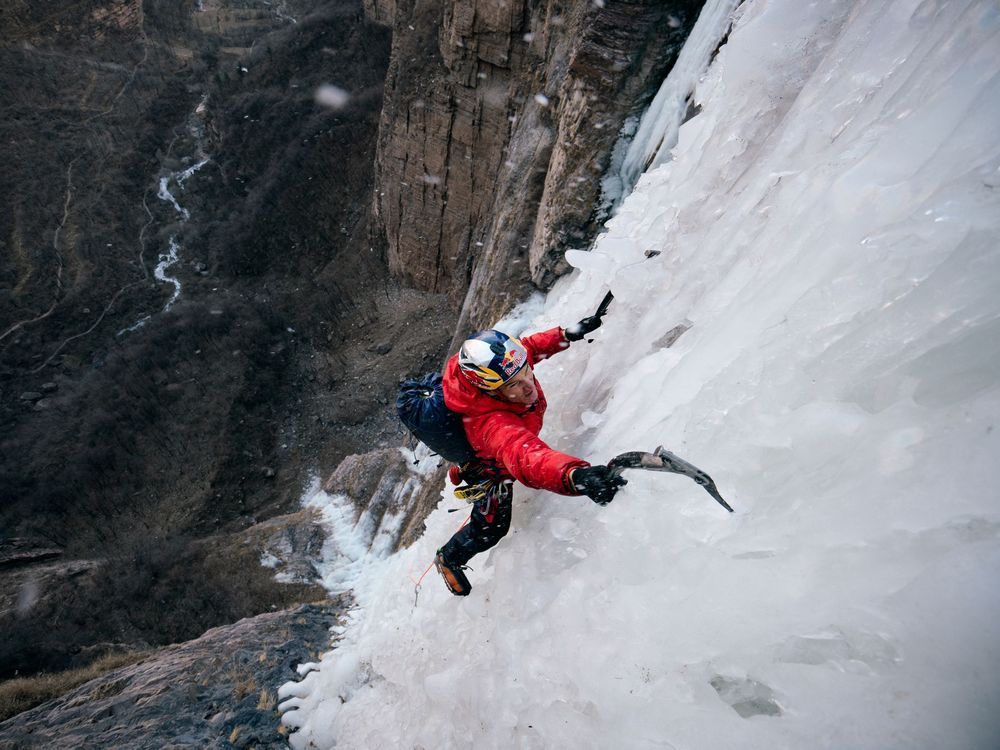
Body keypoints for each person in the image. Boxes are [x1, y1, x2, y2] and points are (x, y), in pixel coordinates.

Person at [433, 316, 626, 596]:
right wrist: (574, 476)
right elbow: (525, 457)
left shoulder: (502, 370)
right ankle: (449, 558)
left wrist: (566, 335)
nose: (528, 386)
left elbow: (529, 348)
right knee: (490, 530)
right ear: (491, 391)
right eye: (515, 385)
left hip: (499, 446)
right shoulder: (494, 425)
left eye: (526, 372)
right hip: (492, 471)